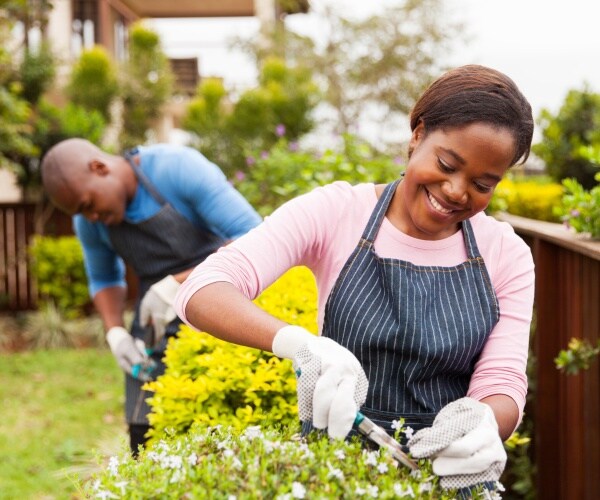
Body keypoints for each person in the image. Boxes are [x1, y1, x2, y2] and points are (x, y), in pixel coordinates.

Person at [174, 65, 535, 490]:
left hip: (450, 478)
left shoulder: (506, 253)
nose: (457, 191)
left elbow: (503, 380)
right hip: (336, 476)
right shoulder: (336, 212)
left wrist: (485, 421)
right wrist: (301, 346)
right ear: (417, 135)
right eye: (446, 164)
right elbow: (202, 288)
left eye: (482, 183)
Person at [41, 140, 262, 456]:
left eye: (89, 204)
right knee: (145, 435)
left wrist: (178, 285)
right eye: (81, 212)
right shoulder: (89, 222)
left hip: (222, 300)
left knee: (218, 427)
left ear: (99, 167)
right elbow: (105, 278)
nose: (90, 217)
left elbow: (253, 235)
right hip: (155, 317)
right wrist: (115, 332)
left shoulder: (177, 168)